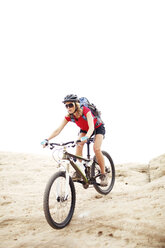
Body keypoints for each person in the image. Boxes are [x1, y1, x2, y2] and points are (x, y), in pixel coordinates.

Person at [41, 94, 108, 186]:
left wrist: (87, 137)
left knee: (96, 148)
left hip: (97, 127)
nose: (68, 107)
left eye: (70, 105)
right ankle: (79, 171)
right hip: (84, 129)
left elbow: (91, 127)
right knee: (78, 145)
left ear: (76, 104)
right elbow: (58, 130)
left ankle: (103, 175)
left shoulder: (86, 111)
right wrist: (47, 139)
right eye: (66, 106)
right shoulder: (69, 116)